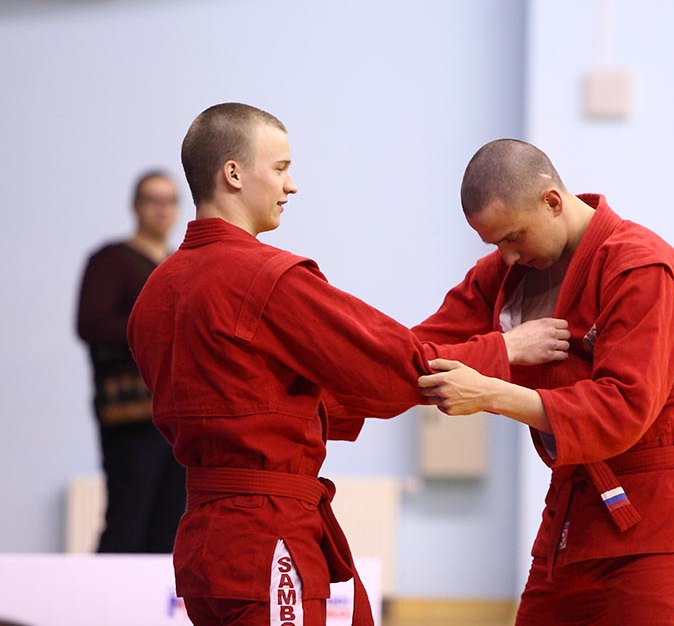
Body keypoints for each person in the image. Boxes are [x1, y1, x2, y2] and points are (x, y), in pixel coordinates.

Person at [126, 103, 562, 626]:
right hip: (268, 533)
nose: (291, 187)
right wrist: (503, 349)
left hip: (202, 539)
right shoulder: (266, 279)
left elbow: (272, 399)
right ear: (233, 174)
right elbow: (386, 364)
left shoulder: (156, 293)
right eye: (281, 168)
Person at [415, 139, 674, 626]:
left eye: (513, 237)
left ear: (552, 202)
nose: (507, 257)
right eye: (495, 245)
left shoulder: (645, 269)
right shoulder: (506, 274)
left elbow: (621, 407)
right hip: (571, 519)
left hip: (656, 519)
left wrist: (492, 391)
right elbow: (421, 352)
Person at [76, 169, 186, 554]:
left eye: (169, 201)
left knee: (172, 519)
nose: (161, 209)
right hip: (130, 412)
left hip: (177, 414)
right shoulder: (111, 261)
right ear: (136, 206)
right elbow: (91, 324)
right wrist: (161, 324)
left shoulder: (180, 264)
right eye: (152, 200)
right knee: (128, 515)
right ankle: (103, 609)